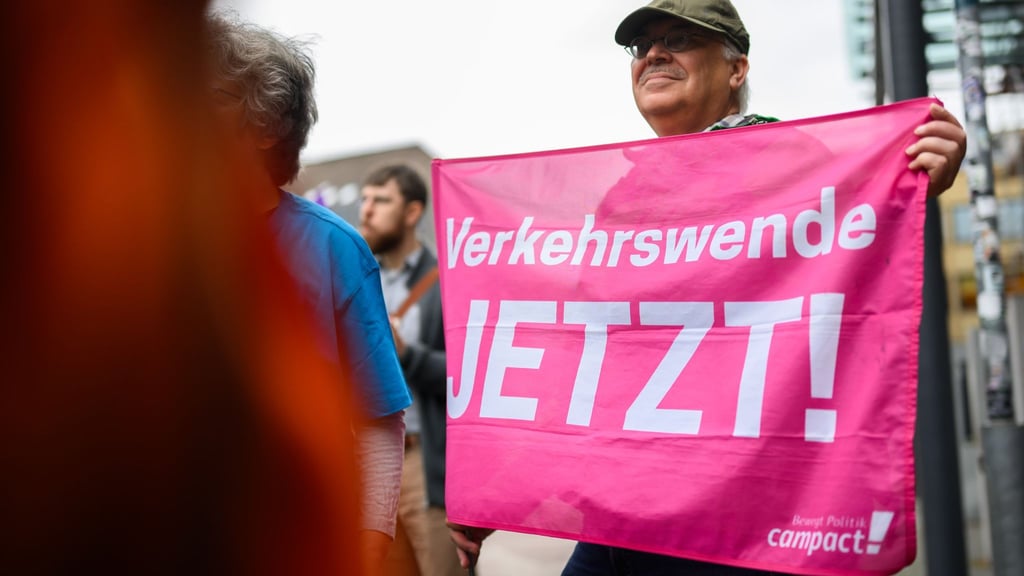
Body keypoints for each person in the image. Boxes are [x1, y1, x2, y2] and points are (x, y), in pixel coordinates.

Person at [447, 1, 967, 574]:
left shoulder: (791, 160)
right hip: (622, 514)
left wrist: (914, 184)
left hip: (739, 519)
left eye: (678, 39)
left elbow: (856, 264)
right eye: (640, 47)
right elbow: (587, 357)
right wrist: (503, 486)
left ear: (736, 70)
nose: (653, 55)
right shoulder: (624, 193)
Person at [206, 14, 412, 570]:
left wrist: (372, 542)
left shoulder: (335, 248)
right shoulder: (142, 241)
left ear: (266, 124)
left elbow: (377, 419)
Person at [360, 165, 462, 576]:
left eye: (381, 200)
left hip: (424, 465)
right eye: (365, 199)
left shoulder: (446, 282)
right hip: (367, 465)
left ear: (412, 211)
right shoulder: (360, 277)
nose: (366, 211)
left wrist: (405, 353)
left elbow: (467, 376)